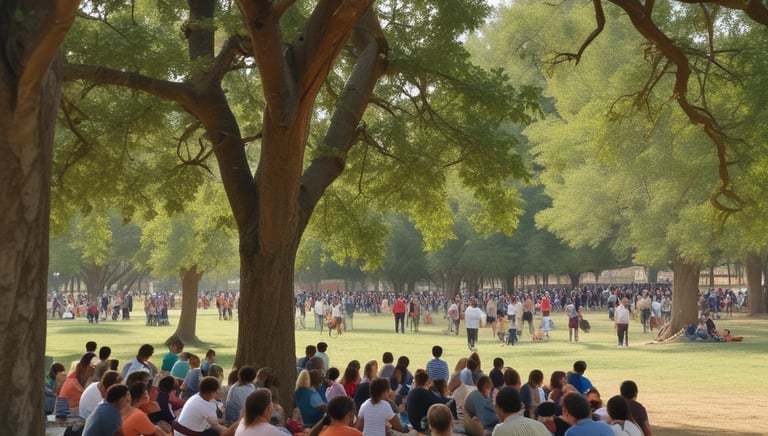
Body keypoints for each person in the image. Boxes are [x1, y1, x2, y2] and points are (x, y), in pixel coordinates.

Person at [58, 352, 97, 417]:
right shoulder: (73, 383)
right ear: (87, 367)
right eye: (94, 367)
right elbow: (88, 400)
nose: (95, 370)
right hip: (67, 416)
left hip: (74, 413)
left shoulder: (77, 376)